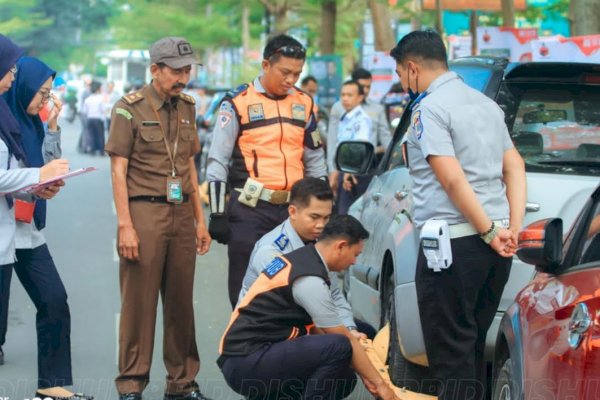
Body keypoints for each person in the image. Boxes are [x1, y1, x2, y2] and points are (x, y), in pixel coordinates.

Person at [390, 30, 526, 399]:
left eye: (402, 75)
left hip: (452, 247)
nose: (403, 83)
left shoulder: (430, 108)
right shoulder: (486, 105)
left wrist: (486, 230)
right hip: (494, 248)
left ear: (413, 68)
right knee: (471, 348)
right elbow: (514, 166)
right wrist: (510, 227)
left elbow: (450, 178)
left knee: (450, 357)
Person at [105, 36, 212, 400]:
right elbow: (118, 171)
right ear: (155, 69)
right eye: (177, 71)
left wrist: (200, 220)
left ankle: (182, 384)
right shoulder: (127, 109)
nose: (183, 77)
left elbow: (190, 167)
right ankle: (132, 384)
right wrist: (125, 225)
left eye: (188, 70)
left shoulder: (188, 106)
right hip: (144, 211)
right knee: (139, 302)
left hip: (181, 214)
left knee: (182, 302)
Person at [218, 214, 399, 400]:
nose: (354, 262)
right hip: (246, 362)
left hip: (252, 356)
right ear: (341, 246)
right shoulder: (309, 279)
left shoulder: (301, 260)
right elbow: (342, 339)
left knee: (343, 378)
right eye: (355, 254)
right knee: (340, 346)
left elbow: (316, 329)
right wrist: (382, 387)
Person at [206, 34, 327, 308]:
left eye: (297, 73)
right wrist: (217, 213)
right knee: (247, 293)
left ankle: (289, 349)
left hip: (293, 213)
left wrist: (323, 210)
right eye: (285, 72)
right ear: (265, 64)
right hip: (250, 211)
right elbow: (217, 161)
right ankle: (242, 348)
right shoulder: (237, 102)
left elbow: (316, 159)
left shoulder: (304, 103)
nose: (290, 80)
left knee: (296, 288)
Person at [0, 37, 73, 397]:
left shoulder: (30, 123)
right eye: (42, 94)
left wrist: (54, 125)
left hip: (26, 228)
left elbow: (41, 166)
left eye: (48, 94)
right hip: (3, 230)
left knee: (54, 299)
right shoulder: (3, 119)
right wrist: (36, 178)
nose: (45, 101)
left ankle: (53, 387)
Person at [237, 177, 374, 337]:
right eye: (314, 217)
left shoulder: (322, 241)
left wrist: (351, 329)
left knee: (367, 333)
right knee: (340, 347)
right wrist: (345, 337)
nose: (321, 225)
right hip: (266, 332)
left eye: (326, 217)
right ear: (293, 212)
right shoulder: (271, 250)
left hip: (307, 319)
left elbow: (334, 294)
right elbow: (303, 302)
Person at [327, 68, 391, 195]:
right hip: (344, 168)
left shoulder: (377, 109)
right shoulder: (338, 108)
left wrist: (392, 164)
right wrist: (332, 170)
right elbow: (332, 140)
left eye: (368, 86)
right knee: (345, 212)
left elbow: (386, 139)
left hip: (370, 169)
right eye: (362, 86)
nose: (366, 90)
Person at [333, 80, 374, 215]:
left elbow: (359, 147)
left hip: (353, 174)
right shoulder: (346, 117)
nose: (345, 98)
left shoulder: (361, 119)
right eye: (343, 95)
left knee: (347, 215)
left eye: (349, 95)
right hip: (345, 171)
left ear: (360, 97)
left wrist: (348, 172)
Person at [81, 81, 106, 156]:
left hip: (89, 118)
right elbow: (103, 109)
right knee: (100, 135)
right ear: (98, 89)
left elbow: (84, 111)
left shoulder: (87, 99)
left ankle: (92, 150)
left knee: (91, 134)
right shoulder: (100, 98)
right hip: (98, 118)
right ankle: (101, 150)